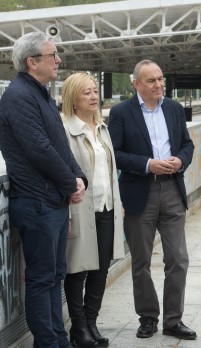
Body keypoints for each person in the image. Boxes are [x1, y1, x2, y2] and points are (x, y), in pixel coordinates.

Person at [0, 32, 87, 348]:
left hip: (51, 200)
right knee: (41, 278)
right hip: (37, 202)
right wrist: (70, 183)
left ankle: (58, 340)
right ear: (31, 61)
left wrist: (78, 178)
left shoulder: (40, 93)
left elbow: (59, 145)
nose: (58, 59)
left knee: (55, 276)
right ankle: (49, 343)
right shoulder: (19, 96)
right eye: (52, 55)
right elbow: (38, 149)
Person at [107, 60, 196, 340]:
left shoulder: (173, 108)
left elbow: (187, 144)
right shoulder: (121, 113)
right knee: (141, 261)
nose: (158, 85)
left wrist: (180, 159)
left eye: (160, 79)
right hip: (139, 193)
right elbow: (115, 153)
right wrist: (147, 164)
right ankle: (148, 317)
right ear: (136, 84)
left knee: (178, 259)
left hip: (172, 190)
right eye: (151, 81)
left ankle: (173, 320)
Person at [61, 73, 126, 347]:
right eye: (86, 92)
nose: (93, 96)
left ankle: (91, 323)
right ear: (73, 98)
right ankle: (78, 328)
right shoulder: (64, 128)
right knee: (78, 270)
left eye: (95, 90)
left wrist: (118, 205)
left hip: (106, 209)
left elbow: (110, 173)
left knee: (100, 269)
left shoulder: (102, 127)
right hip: (80, 211)